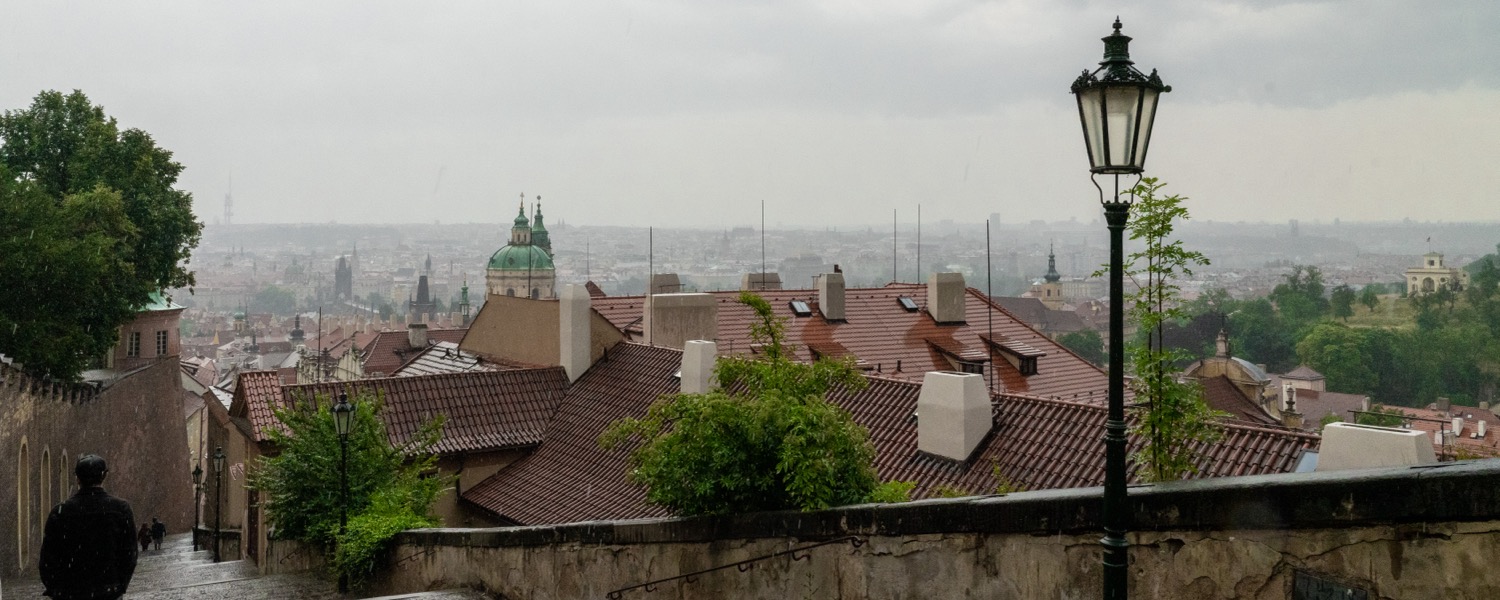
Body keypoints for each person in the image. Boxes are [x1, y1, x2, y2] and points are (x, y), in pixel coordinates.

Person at [39, 454, 138, 600]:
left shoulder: (60, 512)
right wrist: (119, 586)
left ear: (78, 479)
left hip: (71, 592)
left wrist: (57, 590)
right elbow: (129, 554)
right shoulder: (120, 509)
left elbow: (48, 559)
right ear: (104, 476)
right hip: (108, 590)